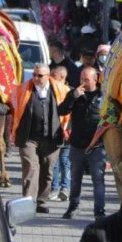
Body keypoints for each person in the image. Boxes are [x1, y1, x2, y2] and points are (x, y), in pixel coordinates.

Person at [11, 64, 70, 214]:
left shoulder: (60, 90)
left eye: (40, 76)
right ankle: (27, 203)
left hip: (52, 137)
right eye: (34, 75)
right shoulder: (23, 89)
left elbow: (70, 106)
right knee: (31, 168)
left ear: (48, 76)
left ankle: (41, 201)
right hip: (28, 137)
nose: (36, 78)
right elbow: (10, 104)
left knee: (47, 169)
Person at [59, 66, 107, 219]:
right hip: (77, 144)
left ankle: (99, 210)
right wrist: (73, 96)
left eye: (86, 79)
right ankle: (73, 206)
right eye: (81, 79)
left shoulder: (103, 95)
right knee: (75, 177)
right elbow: (62, 110)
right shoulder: (74, 93)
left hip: (97, 146)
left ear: (95, 79)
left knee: (98, 179)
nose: (83, 82)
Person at [48, 65, 74, 202]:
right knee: (55, 162)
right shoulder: (50, 91)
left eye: (54, 75)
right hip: (54, 131)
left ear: (63, 77)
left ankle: (65, 188)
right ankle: (54, 188)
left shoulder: (69, 92)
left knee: (65, 161)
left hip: (67, 132)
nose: (50, 77)